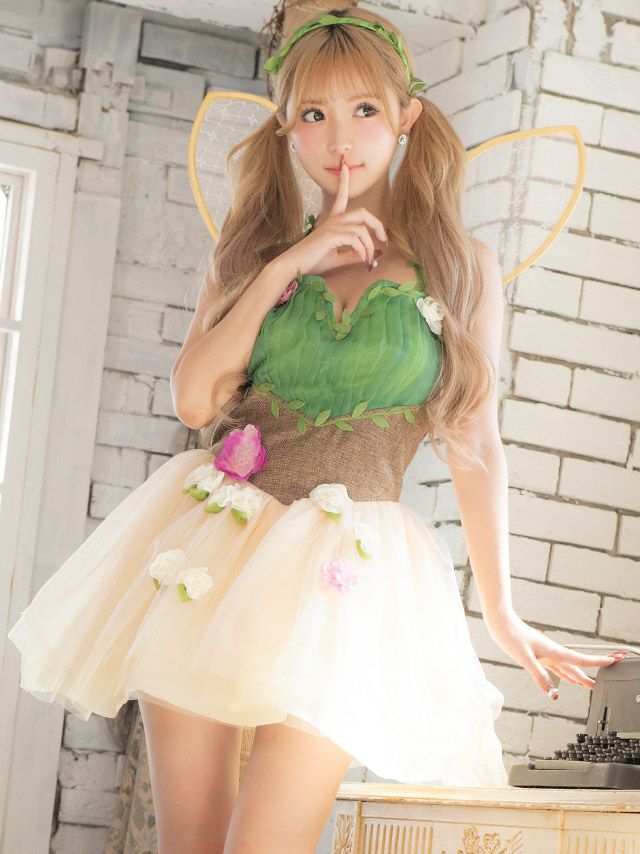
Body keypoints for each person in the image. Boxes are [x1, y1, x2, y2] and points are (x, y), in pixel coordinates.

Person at [7, 7, 625, 854]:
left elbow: (476, 445)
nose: (340, 138)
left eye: (365, 109)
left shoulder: (460, 268)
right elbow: (194, 401)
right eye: (313, 113)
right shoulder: (250, 252)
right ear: (286, 127)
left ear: (406, 116)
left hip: (347, 575)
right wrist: (290, 264)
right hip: (211, 545)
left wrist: (502, 612)